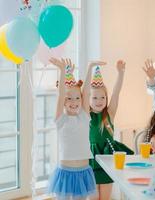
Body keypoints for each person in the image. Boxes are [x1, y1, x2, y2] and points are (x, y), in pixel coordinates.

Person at [48, 58, 96, 200]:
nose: (74, 102)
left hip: (83, 171)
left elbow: (86, 92)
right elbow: (61, 93)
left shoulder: (84, 116)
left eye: (77, 98)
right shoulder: (60, 119)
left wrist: (90, 67)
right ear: (63, 101)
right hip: (65, 171)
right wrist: (62, 70)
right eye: (69, 99)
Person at [88, 60, 133, 200]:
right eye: (94, 97)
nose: (99, 100)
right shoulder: (86, 116)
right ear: (87, 99)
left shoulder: (109, 114)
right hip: (91, 160)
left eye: (102, 97)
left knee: (105, 198)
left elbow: (116, 92)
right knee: (92, 197)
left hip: (108, 159)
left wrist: (120, 73)